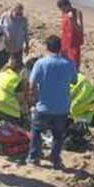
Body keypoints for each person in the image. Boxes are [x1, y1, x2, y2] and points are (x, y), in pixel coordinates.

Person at [27, 35, 78, 169]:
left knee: (36, 131)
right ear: (60, 48)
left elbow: (32, 84)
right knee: (58, 135)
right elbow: (74, 81)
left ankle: (34, 158)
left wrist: (33, 99)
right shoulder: (68, 63)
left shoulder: (41, 63)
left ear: (47, 47)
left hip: (44, 105)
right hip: (62, 107)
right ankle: (55, 160)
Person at [0, 54, 28, 125]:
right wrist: (26, 116)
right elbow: (21, 101)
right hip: (4, 107)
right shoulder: (17, 80)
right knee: (20, 122)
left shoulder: (3, 72)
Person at [57, 0, 84, 69]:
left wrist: (72, 21)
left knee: (74, 65)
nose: (62, 11)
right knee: (64, 64)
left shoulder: (77, 12)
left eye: (63, 8)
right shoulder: (64, 13)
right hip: (65, 42)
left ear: (67, 5)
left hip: (74, 43)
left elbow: (80, 29)